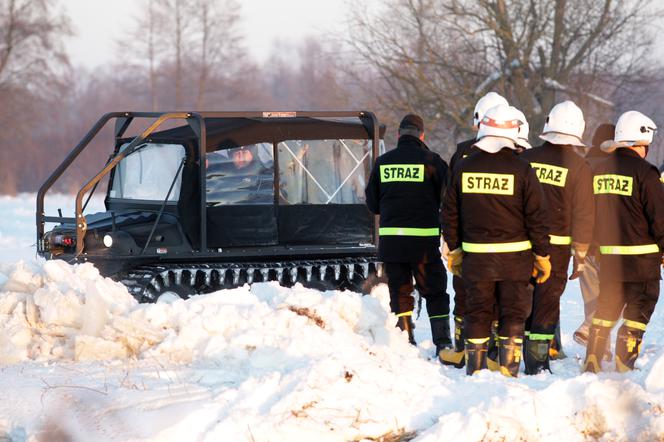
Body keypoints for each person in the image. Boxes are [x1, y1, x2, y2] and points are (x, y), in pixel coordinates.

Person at [441, 104, 551, 377]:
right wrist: (542, 254)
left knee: (477, 313)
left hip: (477, 260)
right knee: (513, 314)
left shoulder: (464, 167)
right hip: (516, 261)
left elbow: (449, 214)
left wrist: (454, 249)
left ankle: (475, 370)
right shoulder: (523, 170)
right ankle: (507, 372)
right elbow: (536, 218)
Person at [583, 110, 664, 373]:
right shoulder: (646, 173)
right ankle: (623, 360)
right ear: (639, 144)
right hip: (642, 261)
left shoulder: (598, 171)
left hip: (609, 260)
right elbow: (659, 217)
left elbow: (589, 214)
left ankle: (593, 357)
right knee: (640, 307)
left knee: (607, 305)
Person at [365, 114, 452, 354]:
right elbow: (449, 201)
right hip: (424, 244)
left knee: (399, 291)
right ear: (422, 136)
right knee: (435, 290)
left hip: (392, 244)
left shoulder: (383, 163)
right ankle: (442, 342)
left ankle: (405, 340)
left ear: (399, 135)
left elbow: (372, 204)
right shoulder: (433, 162)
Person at [520, 101, 594, 374]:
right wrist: (582, 256)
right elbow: (585, 215)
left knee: (522, 298)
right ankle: (537, 363)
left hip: (522, 246)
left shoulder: (525, 159)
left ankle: (514, 355)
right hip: (558, 250)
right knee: (547, 302)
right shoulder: (579, 167)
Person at [442, 91, 509, 368]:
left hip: (469, 241)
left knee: (465, 294)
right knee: (501, 298)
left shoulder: (462, 152)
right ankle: (495, 352)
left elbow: (450, 200)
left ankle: (463, 347)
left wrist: (450, 241)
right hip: (508, 243)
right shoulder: (517, 155)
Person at [573, 123, 615, 347]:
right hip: (614, 243)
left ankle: (599, 349)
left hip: (585, 242)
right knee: (615, 297)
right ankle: (591, 329)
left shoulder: (584, 166)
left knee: (591, 296)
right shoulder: (620, 167)